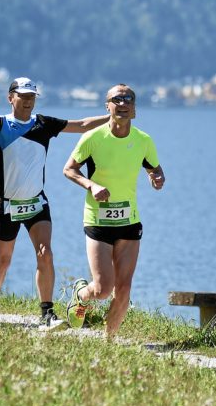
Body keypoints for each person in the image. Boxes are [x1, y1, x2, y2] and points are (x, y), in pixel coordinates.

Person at [0, 78, 108, 326]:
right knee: (3, 261)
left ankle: (46, 312)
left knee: (45, 253)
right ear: (11, 98)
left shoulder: (43, 124)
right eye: (23, 96)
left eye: (32, 96)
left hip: (37, 204)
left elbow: (82, 125)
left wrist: (112, 116)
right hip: (6, 205)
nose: (28, 101)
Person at [63, 83, 165, 338]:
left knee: (124, 288)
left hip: (129, 221)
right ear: (107, 106)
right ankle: (82, 295)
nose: (122, 103)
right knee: (103, 289)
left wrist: (158, 178)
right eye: (116, 99)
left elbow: (154, 167)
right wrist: (91, 184)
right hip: (98, 220)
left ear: (134, 109)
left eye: (128, 99)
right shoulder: (93, 138)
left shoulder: (143, 141)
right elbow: (69, 169)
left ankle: (109, 341)